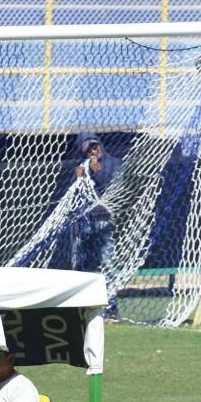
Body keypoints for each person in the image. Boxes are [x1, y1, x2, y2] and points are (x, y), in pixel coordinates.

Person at [70, 132, 121, 317]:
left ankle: (111, 310)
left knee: (107, 264)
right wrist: (78, 178)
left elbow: (117, 189)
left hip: (103, 221)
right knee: (80, 266)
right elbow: (72, 197)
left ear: (100, 145)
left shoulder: (114, 163)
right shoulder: (81, 166)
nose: (93, 151)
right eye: (89, 149)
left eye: (95, 146)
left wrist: (97, 171)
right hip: (82, 221)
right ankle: (82, 308)